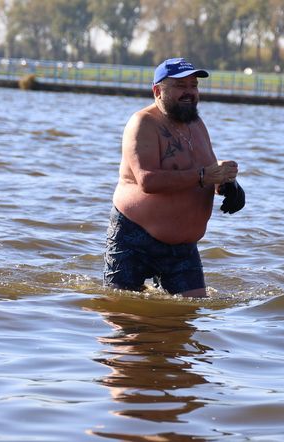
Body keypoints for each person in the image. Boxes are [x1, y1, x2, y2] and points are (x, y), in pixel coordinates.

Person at [104, 57, 245, 297]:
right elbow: (147, 180)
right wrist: (203, 176)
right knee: (123, 315)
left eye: (194, 86)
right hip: (135, 238)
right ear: (157, 91)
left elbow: (206, 169)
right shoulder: (143, 123)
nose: (189, 93)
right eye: (180, 86)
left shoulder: (197, 124)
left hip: (182, 247)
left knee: (189, 320)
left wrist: (227, 183)